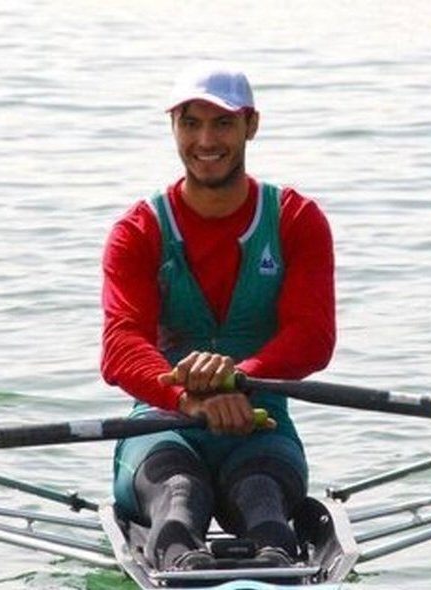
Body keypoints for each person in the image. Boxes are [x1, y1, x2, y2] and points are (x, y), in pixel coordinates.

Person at [100, 63, 336, 572]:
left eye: (223, 123)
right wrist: (188, 398)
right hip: (161, 422)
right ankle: (182, 562)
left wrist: (238, 379)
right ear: (174, 128)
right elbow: (121, 346)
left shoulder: (296, 221)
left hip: (260, 420)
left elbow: (312, 336)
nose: (205, 141)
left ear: (252, 125)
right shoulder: (138, 230)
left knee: (261, 497)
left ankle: (274, 560)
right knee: (178, 495)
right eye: (190, 123)